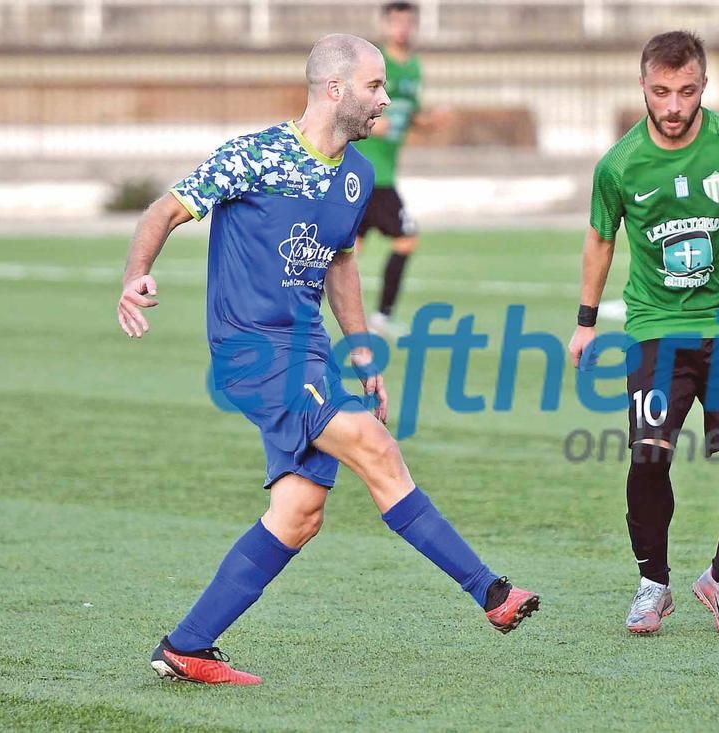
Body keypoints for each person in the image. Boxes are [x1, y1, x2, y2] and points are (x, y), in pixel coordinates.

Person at [116, 34, 538, 686]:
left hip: (309, 354)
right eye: (375, 86)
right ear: (335, 90)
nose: (386, 99)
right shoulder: (255, 155)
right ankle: (491, 591)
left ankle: (188, 644)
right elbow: (165, 209)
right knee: (375, 446)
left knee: (299, 514)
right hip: (253, 350)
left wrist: (362, 350)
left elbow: (340, 262)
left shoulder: (357, 174)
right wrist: (136, 274)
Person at [567, 31, 719, 636]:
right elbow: (601, 238)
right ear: (643, 87)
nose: (674, 105)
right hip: (657, 329)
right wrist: (585, 322)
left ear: (704, 84)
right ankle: (653, 585)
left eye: (686, 91)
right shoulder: (620, 164)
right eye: (661, 92)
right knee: (650, 457)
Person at [354, 1, 448, 337]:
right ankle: (381, 316)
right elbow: (349, 101)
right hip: (370, 172)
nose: (402, 28)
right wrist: (367, 121)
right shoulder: (373, 62)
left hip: (381, 172)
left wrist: (429, 121)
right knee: (406, 238)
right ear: (384, 25)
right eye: (395, 22)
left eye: (408, 22)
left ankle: (298, 314)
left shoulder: (414, 68)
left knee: (348, 248)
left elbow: (410, 114)